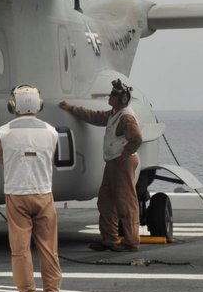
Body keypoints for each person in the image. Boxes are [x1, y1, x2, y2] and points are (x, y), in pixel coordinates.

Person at [0, 84, 62, 292]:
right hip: (43, 193)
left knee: (20, 249)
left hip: (17, 193)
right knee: (48, 248)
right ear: (38, 104)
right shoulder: (51, 131)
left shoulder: (4, 132)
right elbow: (52, 155)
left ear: (14, 105)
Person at [59, 79, 143, 252]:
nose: (109, 96)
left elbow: (136, 138)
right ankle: (110, 239)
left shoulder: (126, 117)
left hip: (122, 162)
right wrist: (72, 109)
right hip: (114, 162)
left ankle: (131, 242)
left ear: (122, 99)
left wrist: (125, 153)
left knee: (126, 203)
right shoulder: (115, 114)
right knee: (106, 200)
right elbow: (95, 116)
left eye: (113, 94)